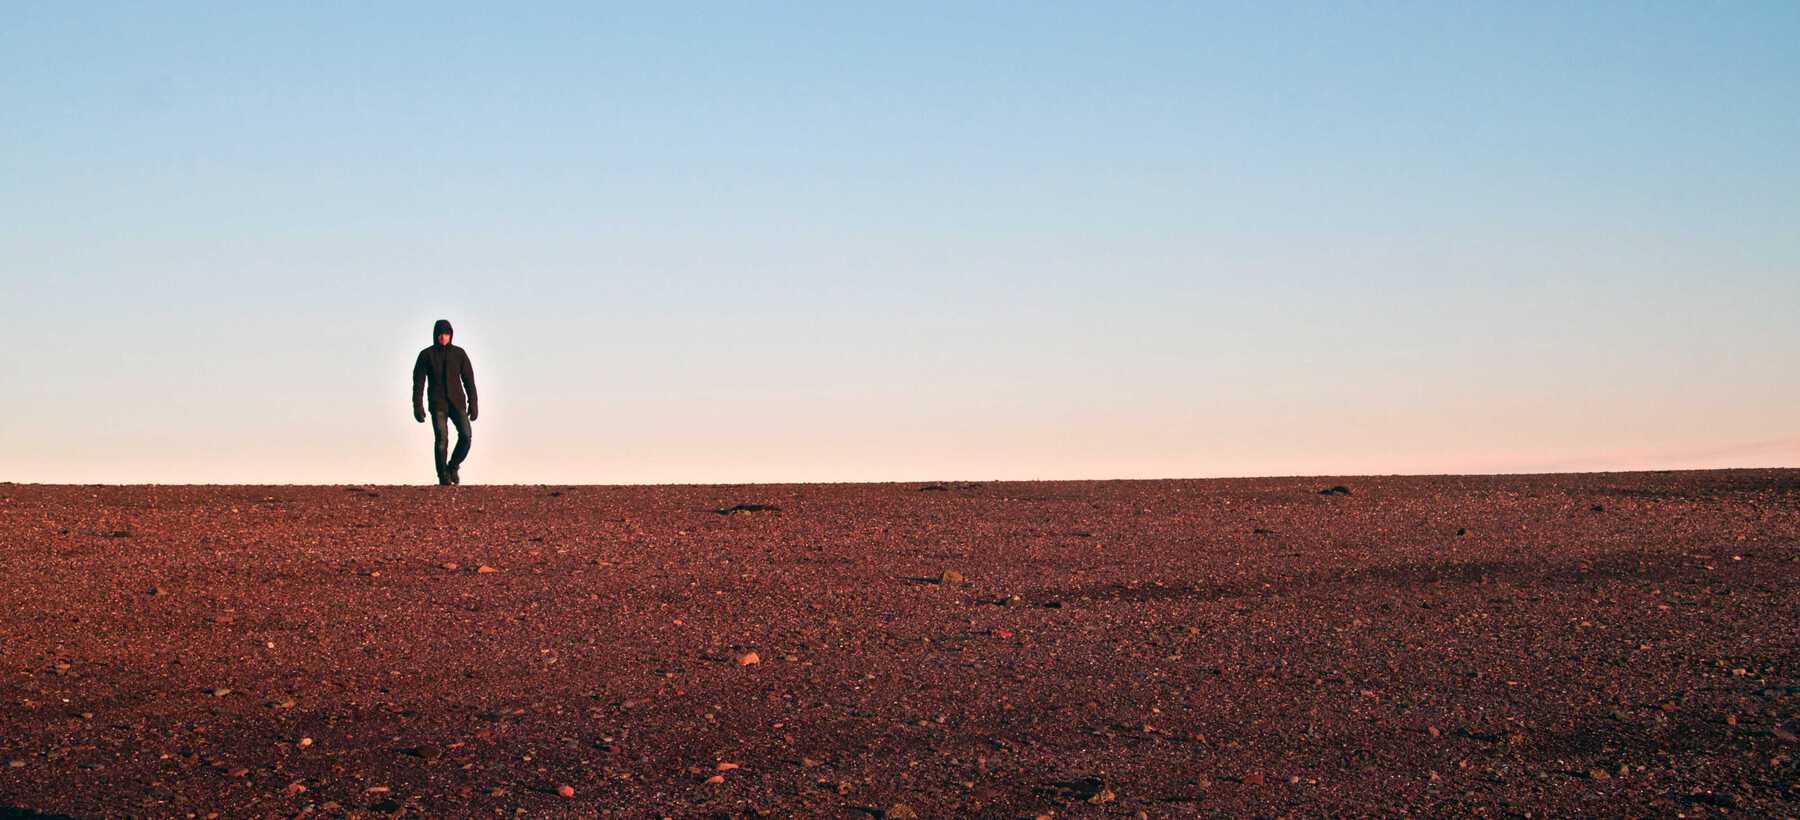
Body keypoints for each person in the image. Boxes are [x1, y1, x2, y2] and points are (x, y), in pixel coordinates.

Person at [412, 319, 478, 485]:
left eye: (447, 334)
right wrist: (417, 406)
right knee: (442, 438)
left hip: (457, 402)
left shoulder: (459, 354)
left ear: (451, 335)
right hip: (438, 404)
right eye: (440, 334)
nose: (443, 337)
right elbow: (418, 382)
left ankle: (453, 466)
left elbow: (469, 380)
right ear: (436, 335)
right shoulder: (426, 355)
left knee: (466, 436)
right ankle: (443, 476)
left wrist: (473, 403)